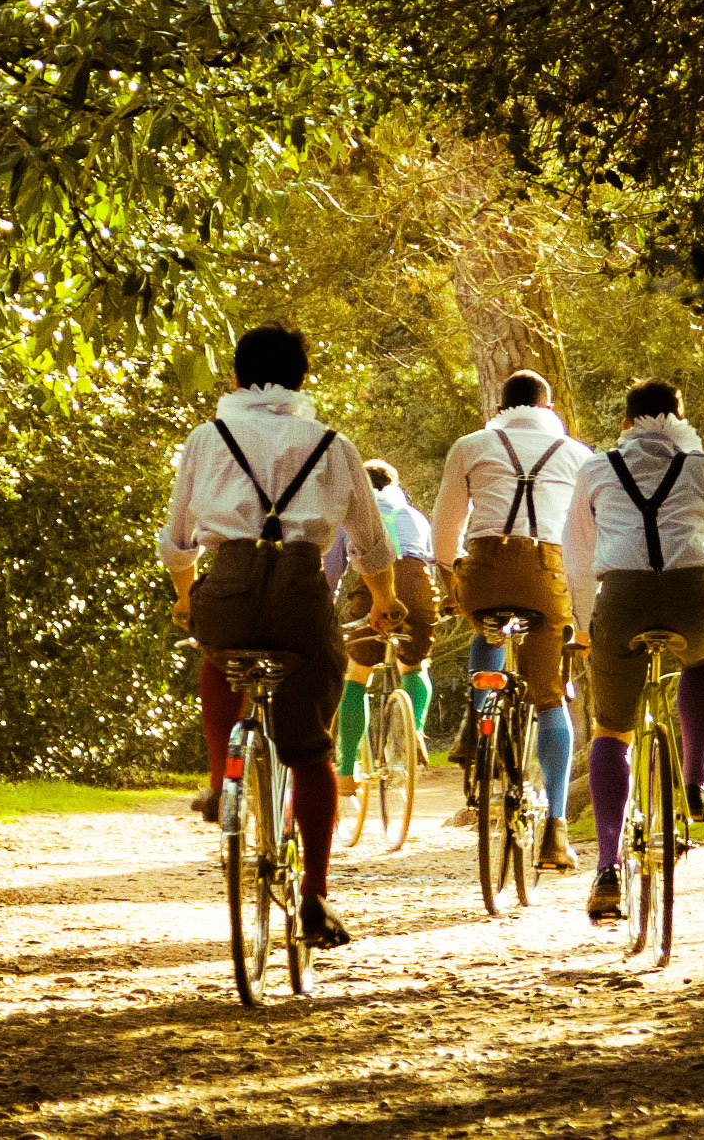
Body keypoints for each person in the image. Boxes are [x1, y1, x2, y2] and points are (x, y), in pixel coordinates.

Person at [160, 323, 405, 949]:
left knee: (218, 655)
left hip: (228, 589)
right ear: (301, 380)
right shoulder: (332, 444)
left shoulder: (207, 438)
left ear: (236, 377)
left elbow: (178, 539)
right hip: (301, 597)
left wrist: (186, 596)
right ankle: (315, 896)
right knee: (311, 751)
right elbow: (371, 542)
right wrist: (384, 601)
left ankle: (221, 782)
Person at [563, 378, 704, 919]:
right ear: (680, 420)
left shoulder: (596, 469)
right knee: (702, 658)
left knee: (611, 731)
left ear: (626, 424)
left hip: (621, 600)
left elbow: (577, 555)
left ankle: (607, 868)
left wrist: (583, 623)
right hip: (693, 594)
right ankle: (695, 780)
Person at [432, 370, 593, 870]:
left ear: (499, 408)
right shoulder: (577, 454)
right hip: (547, 574)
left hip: (483, 572)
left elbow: (444, 530)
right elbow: (587, 537)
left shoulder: (470, 445)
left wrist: (453, 576)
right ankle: (557, 830)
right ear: (548, 408)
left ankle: (480, 723)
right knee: (549, 697)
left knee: (486, 625)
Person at [328, 460, 440, 800]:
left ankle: (346, 772)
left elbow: (333, 569)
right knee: (414, 665)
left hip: (374, 586)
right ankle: (413, 730)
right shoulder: (416, 516)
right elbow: (432, 563)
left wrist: (325, 606)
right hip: (418, 585)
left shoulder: (350, 516)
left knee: (358, 674)